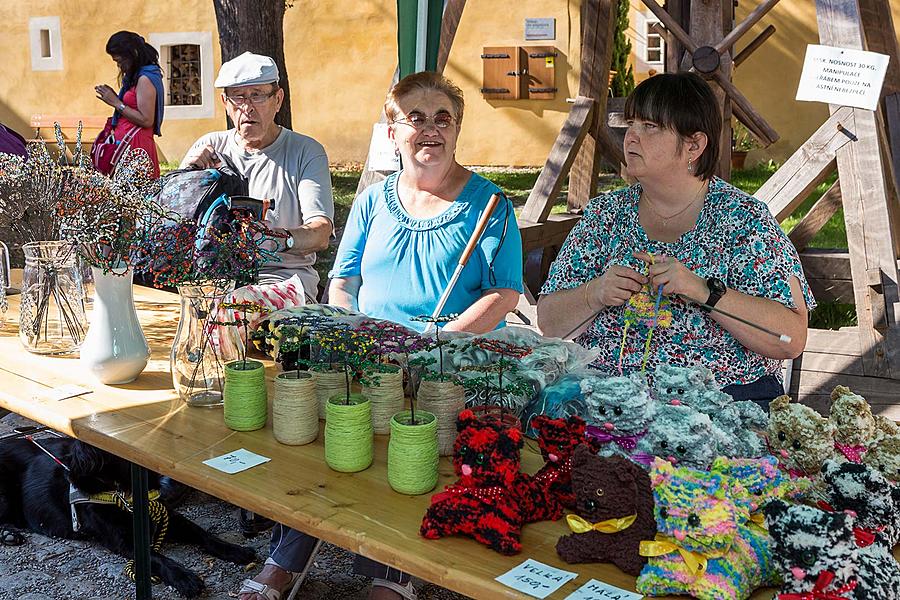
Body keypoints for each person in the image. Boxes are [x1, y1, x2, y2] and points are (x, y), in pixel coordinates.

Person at [239, 72, 523, 600]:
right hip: (370, 355)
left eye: (443, 118)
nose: (430, 129)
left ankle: (390, 571)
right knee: (326, 441)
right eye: (415, 117)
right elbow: (343, 282)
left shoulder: (489, 205)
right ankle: (287, 557)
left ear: (458, 129)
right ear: (392, 130)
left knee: (413, 451)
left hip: (451, 363)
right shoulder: (372, 200)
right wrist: (354, 332)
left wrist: (436, 340)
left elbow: (503, 295)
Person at [537, 72, 815, 406]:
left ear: (694, 146)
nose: (630, 138)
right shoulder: (605, 215)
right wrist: (594, 293)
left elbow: (790, 338)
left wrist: (701, 290)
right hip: (608, 400)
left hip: (718, 407)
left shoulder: (744, 220)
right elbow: (549, 323)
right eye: (631, 124)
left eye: (650, 127)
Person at [180, 52, 334, 301]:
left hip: (283, 278)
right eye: (238, 97)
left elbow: (320, 232)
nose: (248, 107)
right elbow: (176, 226)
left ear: (278, 99)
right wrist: (187, 179)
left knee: (238, 313)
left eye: (258, 95)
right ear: (225, 103)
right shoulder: (209, 147)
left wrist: (276, 240)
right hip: (214, 278)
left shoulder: (305, 151)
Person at [94, 31, 165, 178]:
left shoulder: (145, 79)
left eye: (120, 61)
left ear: (133, 54)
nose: (120, 66)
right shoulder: (136, 77)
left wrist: (116, 102)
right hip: (127, 146)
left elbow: (146, 120)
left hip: (137, 148)